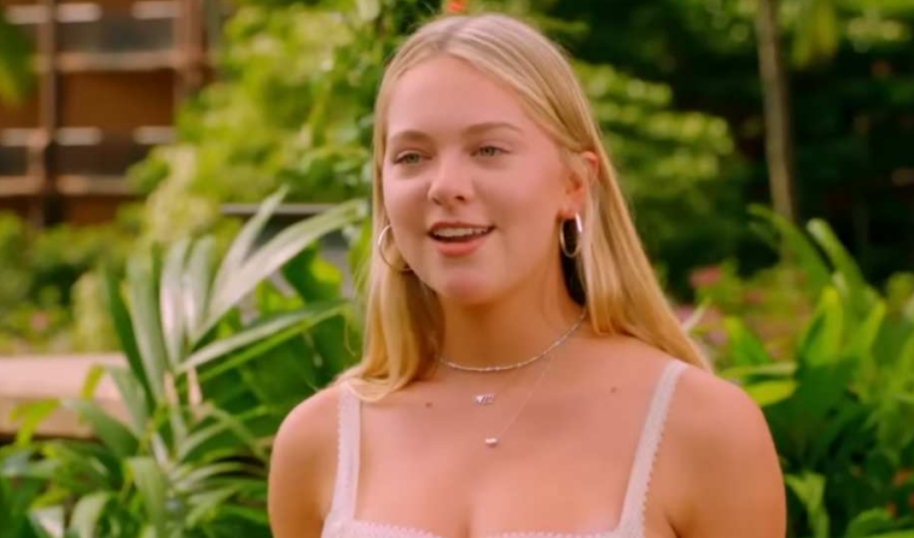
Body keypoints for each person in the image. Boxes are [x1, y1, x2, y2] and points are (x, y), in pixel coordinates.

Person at [268, 12, 785, 538]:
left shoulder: (702, 429)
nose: (444, 186)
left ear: (574, 184)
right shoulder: (319, 442)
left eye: (488, 149)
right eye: (412, 156)